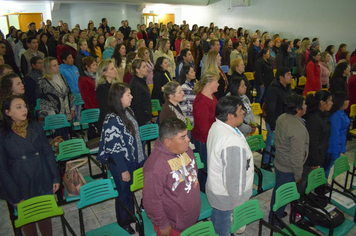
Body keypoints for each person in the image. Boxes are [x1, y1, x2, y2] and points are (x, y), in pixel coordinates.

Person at [0, 95, 60, 236]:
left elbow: (47, 152)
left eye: (24, 106)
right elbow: (2, 169)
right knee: (28, 221)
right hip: (20, 182)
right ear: (7, 112)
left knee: (45, 217)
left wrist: (55, 177)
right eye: (18, 107)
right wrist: (14, 195)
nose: (24, 110)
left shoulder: (34, 126)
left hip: (42, 177)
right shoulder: (3, 134)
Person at [97, 83, 145, 234]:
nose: (131, 97)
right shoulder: (112, 119)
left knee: (129, 192)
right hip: (121, 164)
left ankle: (131, 216)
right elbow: (115, 149)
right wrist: (123, 170)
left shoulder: (127, 111)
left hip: (132, 160)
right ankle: (124, 222)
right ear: (119, 98)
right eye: (128, 94)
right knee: (124, 193)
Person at [143, 118, 200, 235]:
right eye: (182, 137)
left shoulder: (186, 150)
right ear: (168, 142)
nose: (188, 139)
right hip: (173, 224)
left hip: (190, 217)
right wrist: (162, 224)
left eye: (187, 135)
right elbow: (151, 200)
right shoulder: (155, 166)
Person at [206, 96, 254, 236]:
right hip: (227, 197)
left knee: (218, 218)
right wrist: (236, 205)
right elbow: (234, 179)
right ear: (230, 115)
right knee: (223, 227)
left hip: (219, 191)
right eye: (240, 110)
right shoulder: (230, 141)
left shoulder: (218, 126)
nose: (243, 112)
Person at [268, 94, 309, 224]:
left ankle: (274, 214)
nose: (306, 106)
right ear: (298, 109)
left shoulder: (282, 117)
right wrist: (298, 174)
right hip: (288, 168)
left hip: (280, 161)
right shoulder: (297, 129)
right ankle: (275, 221)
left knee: (278, 190)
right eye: (304, 104)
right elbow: (296, 156)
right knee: (283, 194)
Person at [299, 90, 332, 194]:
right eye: (330, 101)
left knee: (307, 179)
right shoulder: (314, 119)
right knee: (303, 180)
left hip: (317, 155)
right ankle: (297, 202)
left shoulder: (323, 115)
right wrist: (315, 161)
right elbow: (312, 143)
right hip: (310, 158)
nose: (332, 103)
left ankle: (303, 198)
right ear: (322, 103)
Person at [192, 71, 219, 190]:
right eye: (216, 82)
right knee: (204, 169)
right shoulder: (202, 102)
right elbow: (204, 129)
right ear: (208, 84)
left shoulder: (211, 96)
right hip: (203, 141)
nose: (218, 84)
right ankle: (202, 191)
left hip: (210, 138)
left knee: (209, 168)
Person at [39, 57, 75, 140]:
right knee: (60, 138)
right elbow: (46, 100)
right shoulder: (44, 82)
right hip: (55, 115)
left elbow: (69, 93)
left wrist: (72, 108)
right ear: (48, 68)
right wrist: (54, 117)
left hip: (67, 113)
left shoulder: (61, 77)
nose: (57, 67)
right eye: (54, 65)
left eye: (57, 65)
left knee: (68, 136)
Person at [263, 67, 292, 167]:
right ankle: (266, 163)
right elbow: (270, 109)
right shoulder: (273, 89)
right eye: (288, 74)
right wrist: (272, 125)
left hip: (283, 121)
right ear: (281, 77)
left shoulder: (287, 87)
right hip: (274, 121)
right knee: (270, 143)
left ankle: (273, 161)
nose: (291, 76)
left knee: (278, 144)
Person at [323, 92, 350, 178]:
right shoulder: (336, 116)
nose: (348, 102)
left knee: (328, 167)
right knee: (326, 167)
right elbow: (334, 136)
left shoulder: (341, 112)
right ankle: (321, 187)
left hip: (338, 145)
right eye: (346, 100)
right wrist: (336, 151)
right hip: (332, 148)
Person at [96, 59, 117, 134]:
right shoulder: (102, 88)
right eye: (112, 69)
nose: (115, 70)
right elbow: (106, 108)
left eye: (114, 67)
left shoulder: (113, 85)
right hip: (107, 123)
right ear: (104, 73)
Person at [130, 59, 152, 127]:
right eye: (144, 67)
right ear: (137, 70)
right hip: (141, 120)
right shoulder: (135, 85)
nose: (147, 69)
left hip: (146, 117)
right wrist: (142, 123)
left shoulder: (142, 80)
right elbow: (136, 106)